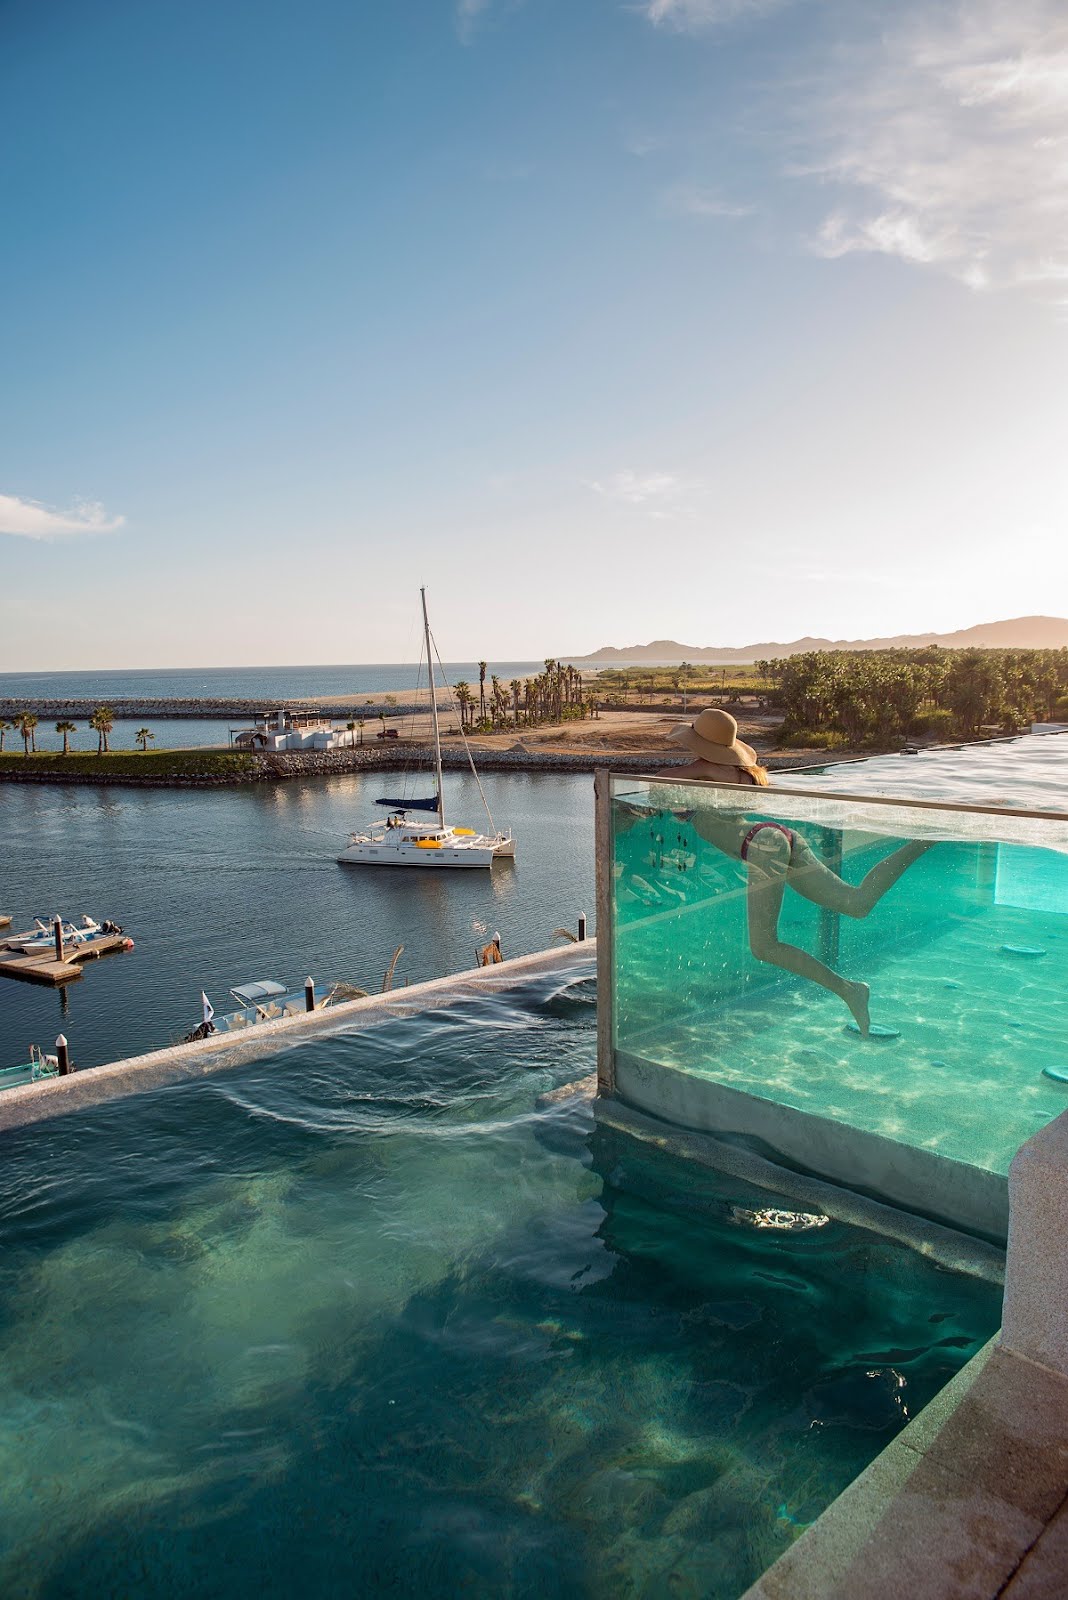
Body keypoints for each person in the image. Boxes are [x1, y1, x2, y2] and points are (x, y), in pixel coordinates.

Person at [638, 708, 930, 1035]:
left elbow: (655, 785)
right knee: (857, 903)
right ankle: (924, 840)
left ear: (702, 746)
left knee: (764, 946)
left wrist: (696, 766)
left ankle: (847, 990)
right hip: (778, 837)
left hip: (762, 846)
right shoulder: (745, 774)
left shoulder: (705, 769)